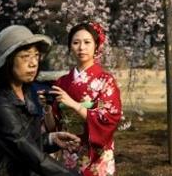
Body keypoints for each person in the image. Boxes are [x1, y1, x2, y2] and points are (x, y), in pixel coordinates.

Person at [0, 25, 78, 176]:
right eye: (25, 56)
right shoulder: (0, 104)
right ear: (7, 61)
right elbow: (25, 150)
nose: (33, 63)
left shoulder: (27, 92)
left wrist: (51, 139)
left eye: (36, 55)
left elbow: (28, 141)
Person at [47, 22, 122, 176]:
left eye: (87, 42)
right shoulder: (61, 82)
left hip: (95, 154)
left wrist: (74, 105)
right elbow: (52, 126)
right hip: (68, 151)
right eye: (76, 43)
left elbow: (109, 118)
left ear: (96, 46)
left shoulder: (106, 81)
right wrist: (47, 108)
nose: (81, 48)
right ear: (70, 47)